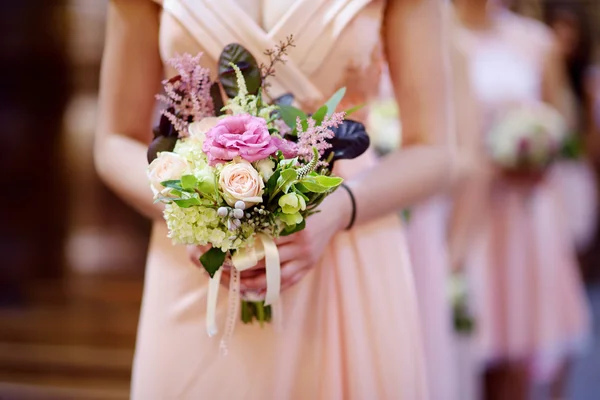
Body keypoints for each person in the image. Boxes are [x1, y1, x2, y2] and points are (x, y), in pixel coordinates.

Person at [95, 0, 478, 398]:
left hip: (343, 243)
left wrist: (339, 208)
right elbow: (113, 140)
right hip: (202, 261)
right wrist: (190, 210)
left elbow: (435, 150)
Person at [453, 0, 592, 399]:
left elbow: (561, 120)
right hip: (467, 205)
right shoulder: (443, 37)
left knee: (521, 347)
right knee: (466, 344)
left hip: (524, 211)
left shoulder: (534, 40)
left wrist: (539, 148)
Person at [544, 2, 598, 255]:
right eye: (559, 25)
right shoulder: (539, 61)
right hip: (548, 170)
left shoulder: (586, 82)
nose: (564, 33)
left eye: (571, 27)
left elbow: (588, 139)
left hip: (574, 172)